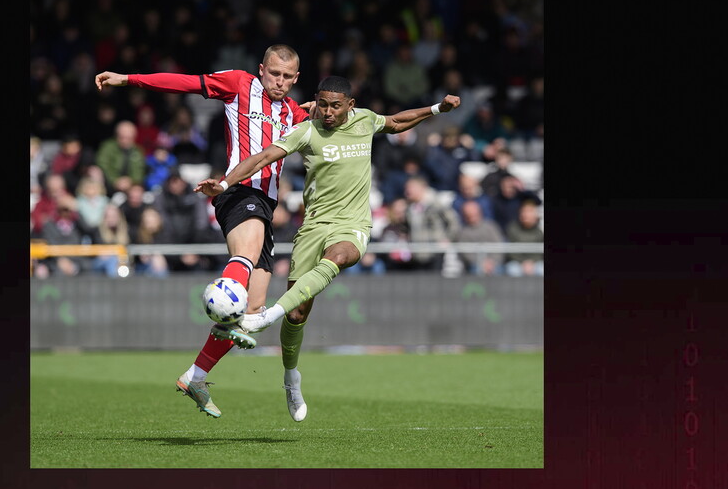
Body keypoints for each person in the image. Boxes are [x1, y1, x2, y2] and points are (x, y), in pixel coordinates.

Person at [197, 76, 460, 421]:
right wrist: (224, 184)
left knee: (339, 256)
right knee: (297, 315)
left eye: (336, 105)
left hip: (352, 224)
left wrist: (438, 108)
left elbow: (397, 122)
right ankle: (291, 377)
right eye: (322, 104)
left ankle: (265, 317)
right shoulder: (307, 131)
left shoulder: (365, 120)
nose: (328, 111)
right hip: (313, 227)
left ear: (350, 105)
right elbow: (263, 157)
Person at [95, 44, 311, 418]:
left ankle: (196, 376)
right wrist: (128, 79)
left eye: (286, 76)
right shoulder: (239, 84)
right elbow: (184, 83)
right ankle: (219, 299)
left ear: (296, 79)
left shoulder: (294, 112)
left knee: (253, 310)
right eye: (274, 73)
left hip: (266, 203)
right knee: (245, 258)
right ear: (261, 69)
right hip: (236, 190)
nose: (279, 81)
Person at [96, 121, 147, 200]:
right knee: (95, 171)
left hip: (130, 185)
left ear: (134, 137)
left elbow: (140, 170)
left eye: (128, 138)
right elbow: (103, 165)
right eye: (122, 137)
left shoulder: (138, 150)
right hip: (109, 183)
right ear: (116, 135)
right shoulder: (108, 147)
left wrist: (130, 181)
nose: (125, 141)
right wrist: (115, 180)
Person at [455, 200, 505, 276]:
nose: (472, 216)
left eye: (474, 213)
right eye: (468, 214)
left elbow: (499, 246)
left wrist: (492, 262)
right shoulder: (463, 232)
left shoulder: (491, 227)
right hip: (474, 266)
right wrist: (481, 263)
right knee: (476, 270)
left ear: (479, 212)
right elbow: (466, 254)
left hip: (494, 264)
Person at [504, 199, 544, 277]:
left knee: (541, 269)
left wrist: (532, 262)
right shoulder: (512, 229)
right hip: (517, 262)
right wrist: (523, 262)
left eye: (529, 212)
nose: (525, 215)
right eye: (523, 211)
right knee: (513, 270)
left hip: (535, 263)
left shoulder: (540, 232)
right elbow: (510, 250)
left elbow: (540, 252)